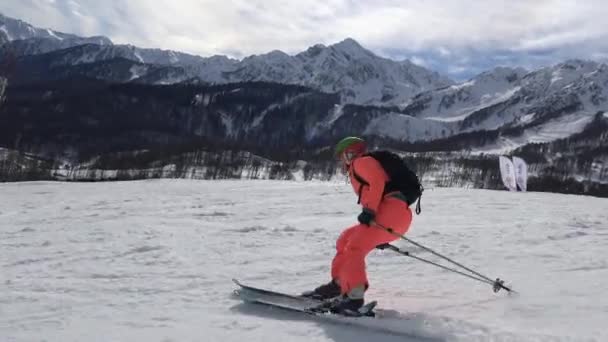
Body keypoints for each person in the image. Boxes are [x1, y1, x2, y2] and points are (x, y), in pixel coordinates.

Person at [303, 136, 413, 314]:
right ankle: (339, 285)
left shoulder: (361, 162)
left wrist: (369, 211)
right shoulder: (361, 164)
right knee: (345, 239)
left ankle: (353, 298)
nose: (343, 161)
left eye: (343, 156)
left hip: (390, 211)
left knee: (354, 245)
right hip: (393, 215)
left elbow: (377, 182)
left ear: (350, 153)